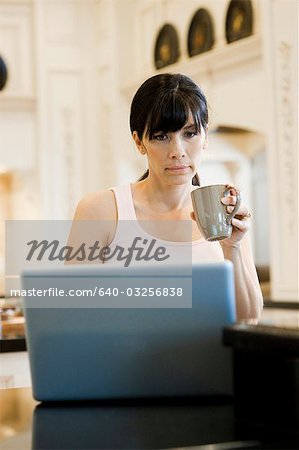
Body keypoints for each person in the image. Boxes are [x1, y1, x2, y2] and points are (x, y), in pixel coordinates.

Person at [73, 73, 263, 320]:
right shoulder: (101, 211)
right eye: (161, 136)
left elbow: (248, 319)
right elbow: (75, 316)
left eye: (190, 133)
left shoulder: (224, 213)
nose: (178, 151)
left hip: (208, 358)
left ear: (205, 136)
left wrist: (232, 247)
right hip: (130, 358)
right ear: (138, 142)